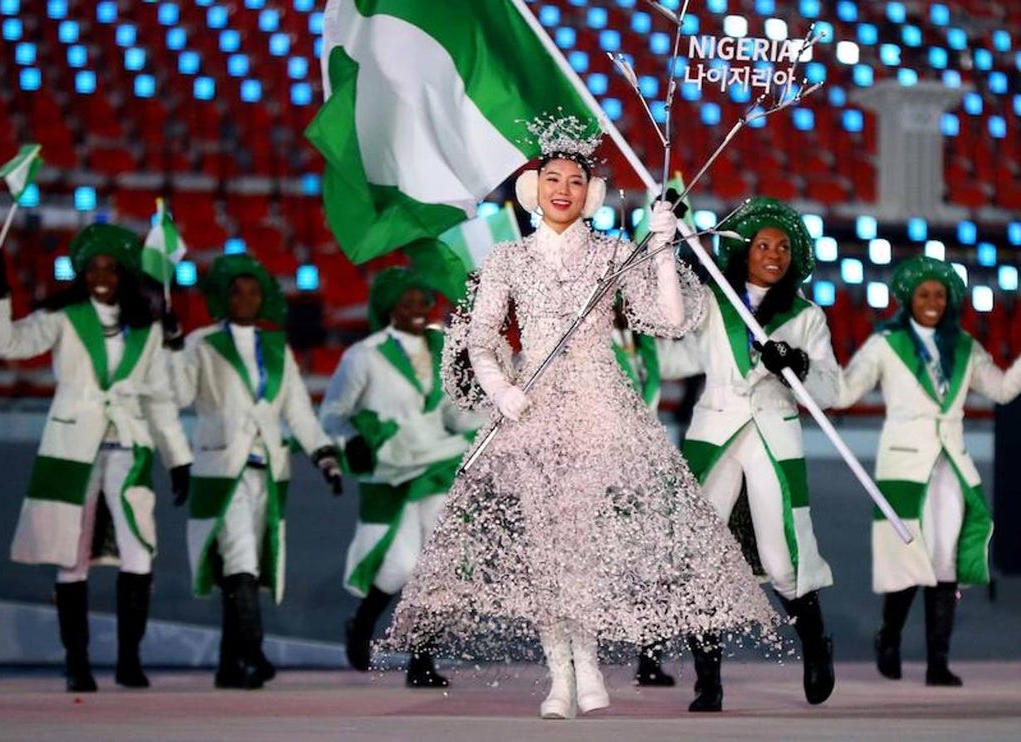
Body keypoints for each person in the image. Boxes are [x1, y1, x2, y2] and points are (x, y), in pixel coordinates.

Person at [386, 115, 779, 720]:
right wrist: (501, 390)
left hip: (601, 406)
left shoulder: (612, 253)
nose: (562, 188)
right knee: (548, 546)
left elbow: (670, 320)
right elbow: (482, 341)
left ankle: (588, 666)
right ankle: (560, 677)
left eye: (575, 179)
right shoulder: (507, 260)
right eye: (552, 178)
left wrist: (662, 245)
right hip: (534, 411)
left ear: (589, 191)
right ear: (535, 187)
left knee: (585, 545)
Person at [0, 224, 192, 692]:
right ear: (81, 272)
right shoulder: (64, 317)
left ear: (123, 274)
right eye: (93, 267)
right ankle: (77, 662)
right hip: (72, 450)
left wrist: (179, 459)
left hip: (129, 449)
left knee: (140, 550)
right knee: (70, 556)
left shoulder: (147, 328)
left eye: (110, 268)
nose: (101, 276)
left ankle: (128, 661)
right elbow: (5, 345)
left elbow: (159, 399)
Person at [833, 255, 1021, 687]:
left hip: (951, 467)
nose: (933, 301)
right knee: (906, 557)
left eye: (940, 294)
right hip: (903, 465)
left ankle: (938, 661)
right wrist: (805, 370)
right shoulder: (885, 343)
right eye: (924, 294)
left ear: (951, 299)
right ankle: (890, 638)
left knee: (944, 560)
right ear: (908, 299)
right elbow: (844, 391)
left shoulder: (966, 346)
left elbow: (1002, 389)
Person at [667, 197, 840, 709]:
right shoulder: (710, 300)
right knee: (701, 555)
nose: (773, 254)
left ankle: (815, 646)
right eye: (763, 245)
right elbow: (673, 354)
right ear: (743, 252)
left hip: (774, 432)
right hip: (713, 430)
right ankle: (708, 681)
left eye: (784, 247)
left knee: (783, 554)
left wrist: (798, 363)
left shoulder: (807, 315)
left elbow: (831, 391)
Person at [165, 253, 343, 690]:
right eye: (236, 291)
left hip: (269, 471)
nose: (245, 298)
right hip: (220, 469)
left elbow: (298, 412)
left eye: (252, 291)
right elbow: (179, 393)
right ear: (222, 297)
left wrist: (324, 456)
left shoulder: (277, 348)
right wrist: (171, 347)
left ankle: (229, 665)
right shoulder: (202, 344)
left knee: (242, 564)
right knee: (240, 558)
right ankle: (255, 652)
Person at [319, 267, 481, 688]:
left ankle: (422, 660)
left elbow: (451, 413)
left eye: (421, 302)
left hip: (439, 462)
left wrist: (482, 404)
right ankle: (362, 622)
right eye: (405, 302)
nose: (415, 309)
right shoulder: (363, 356)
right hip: (390, 471)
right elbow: (333, 415)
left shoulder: (441, 347)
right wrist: (352, 438)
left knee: (439, 566)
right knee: (398, 567)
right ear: (387, 306)